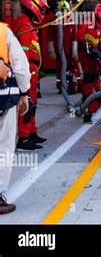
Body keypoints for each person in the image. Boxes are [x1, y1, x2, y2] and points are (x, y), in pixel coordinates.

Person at [10, 0, 49, 151]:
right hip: (27, 73)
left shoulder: (27, 23)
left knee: (32, 104)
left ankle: (32, 132)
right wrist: (24, 76)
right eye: (42, 8)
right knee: (27, 105)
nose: (43, 12)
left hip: (32, 72)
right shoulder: (24, 25)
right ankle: (24, 139)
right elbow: (22, 55)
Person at [0, 22, 31, 214]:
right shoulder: (4, 32)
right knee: (4, 145)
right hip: (3, 99)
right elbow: (20, 65)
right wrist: (24, 92)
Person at [78, 4, 101, 123]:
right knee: (89, 77)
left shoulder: (99, 27)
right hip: (86, 54)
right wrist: (90, 48)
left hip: (94, 55)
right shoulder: (86, 24)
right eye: (100, 20)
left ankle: (90, 99)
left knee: (95, 75)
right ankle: (86, 99)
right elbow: (80, 37)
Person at [48, 0, 79, 94]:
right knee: (60, 68)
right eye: (62, 10)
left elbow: (74, 37)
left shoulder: (71, 21)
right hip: (59, 50)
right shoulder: (54, 21)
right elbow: (50, 37)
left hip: (68, 51)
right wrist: (51, 50)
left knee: (71, 68)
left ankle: (72, 86)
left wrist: (74, 50)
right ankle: (61, 86)